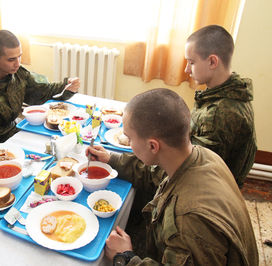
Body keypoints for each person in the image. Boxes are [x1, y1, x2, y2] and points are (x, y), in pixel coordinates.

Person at [87, 88, 258, 265]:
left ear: (153, 146)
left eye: (130, 138)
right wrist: (111, 159)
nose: (129, 144)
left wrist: (125, 257)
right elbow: (154, 172)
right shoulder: (200, 156)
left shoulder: (189, 221)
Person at [0, 30, 80, 142]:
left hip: (16, 129)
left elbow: (40, 92)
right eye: (11, 59)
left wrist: (66, 87)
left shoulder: (17, 74)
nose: (17, 63)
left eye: (19, 56)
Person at [185, 25, 256, 188]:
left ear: (212, 61)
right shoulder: (230, 90)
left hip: (208, 190)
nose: (186, 69)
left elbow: (192, 170)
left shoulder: (219, 114)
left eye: (191, 62)